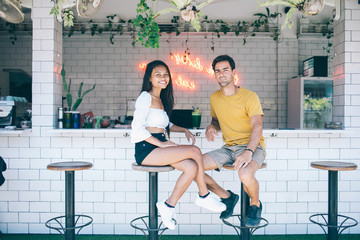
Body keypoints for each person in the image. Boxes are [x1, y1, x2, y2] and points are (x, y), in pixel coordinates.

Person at [131, 60, 225, 230]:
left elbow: (164, 124)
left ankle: (168, 205)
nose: (163, 77)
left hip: (159, 147)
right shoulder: (145, 97)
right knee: (195, 151)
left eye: (166, 74)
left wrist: (183, 130)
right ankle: (204, 195)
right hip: (147, 150)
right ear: (149, 78)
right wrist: (161, 144)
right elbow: (136, 129)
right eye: (158, 74)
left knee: (192, 168)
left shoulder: (161, 99)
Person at [203, 55, 266, 227]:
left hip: (252, 147)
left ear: (233, 73)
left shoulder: (249, 96)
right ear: (214, 75)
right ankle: (228, 197)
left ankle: (255, 204)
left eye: (225, 70)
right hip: (228, 148)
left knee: (245, 174)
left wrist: (248, 152)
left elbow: (257, 127)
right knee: (193, 167)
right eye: (217, 71)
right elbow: (216, 120)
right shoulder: (214, 97)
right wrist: (211, 126)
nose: (221, 74)